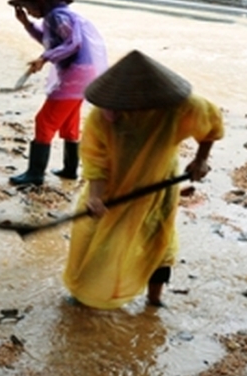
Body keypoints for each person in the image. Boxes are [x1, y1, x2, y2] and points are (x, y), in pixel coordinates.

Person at [63, 50, 224, 309]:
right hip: (111, 187)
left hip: (158, 185)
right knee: (93, 237)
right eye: (110, 105)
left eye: (121, 106)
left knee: (157, 239)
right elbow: (95, 161)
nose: (111, 112)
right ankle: (84, 294)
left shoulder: (181, 108)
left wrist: (201, 159)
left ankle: (155, 299)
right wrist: (95, 197)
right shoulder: (99, 117)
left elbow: (211, 125)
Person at [8, 0, 107, 187]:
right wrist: (26, 23)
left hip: (75, 74)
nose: (31, 12)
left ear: (40, 2)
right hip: (85, 74)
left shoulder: (57, 16)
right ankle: (70, 169)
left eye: (30, 8)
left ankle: (35, 174)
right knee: (70, 122)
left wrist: (44, 59)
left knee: (45, 121)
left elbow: (73, 43)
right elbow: (50, 39)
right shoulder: (60, 15)